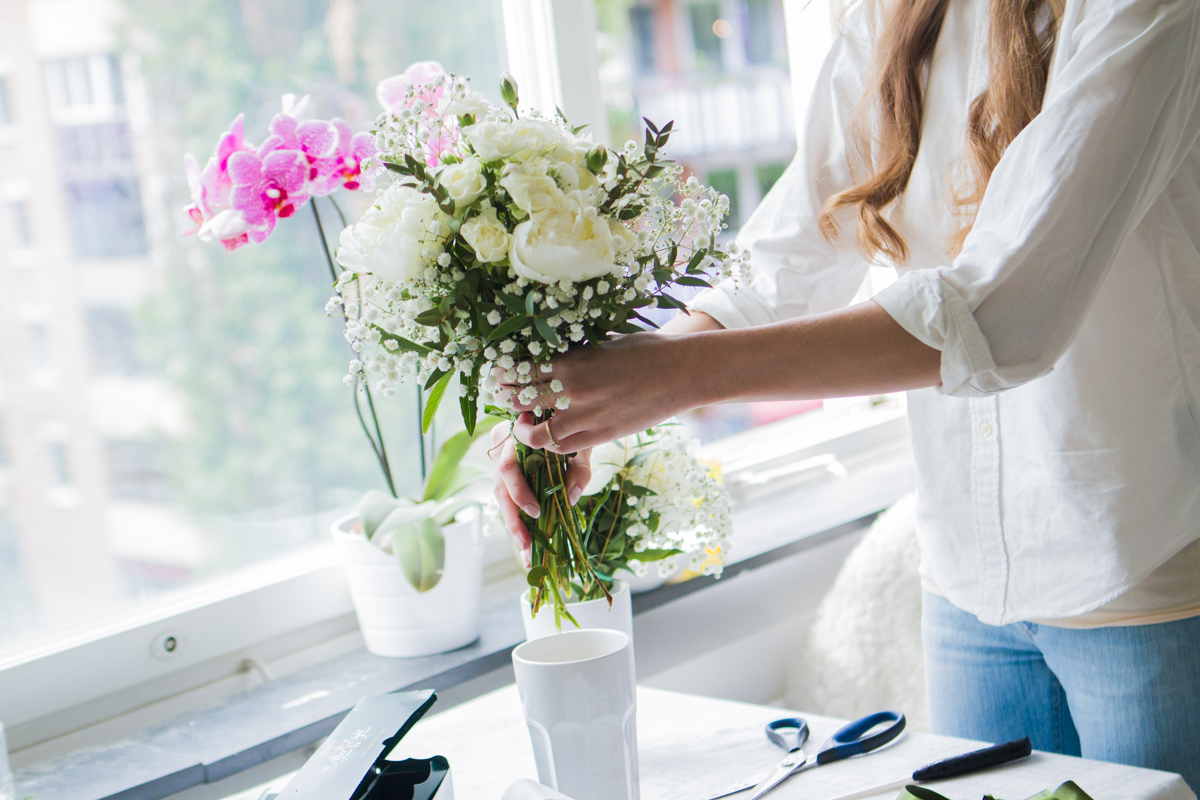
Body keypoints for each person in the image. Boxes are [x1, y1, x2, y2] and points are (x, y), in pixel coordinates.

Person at [491, 0, 1200, 786]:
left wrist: (663, 381)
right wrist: (598, 401)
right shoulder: (894, 20)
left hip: (1140, 567)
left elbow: (1005, 313)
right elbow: (790, 255)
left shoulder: (1146, 12)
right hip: (966, 578)